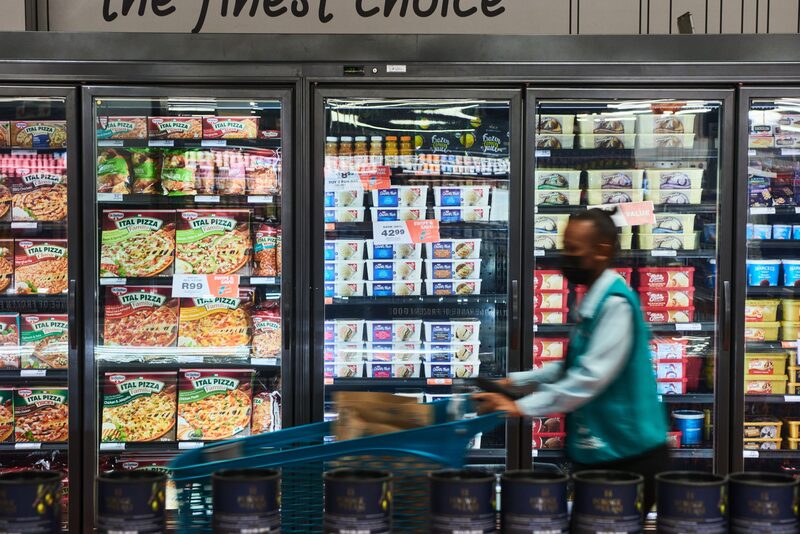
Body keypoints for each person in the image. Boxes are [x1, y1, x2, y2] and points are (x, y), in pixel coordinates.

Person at [474, 208, 668, 516]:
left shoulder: (617, 305)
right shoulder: (593, 298)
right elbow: (571, 366)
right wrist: (516, 383)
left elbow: (587, 380)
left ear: (602, 250)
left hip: (628, 455)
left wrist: (520, 407)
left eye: (573, 250)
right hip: (602, 451)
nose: (566, 257)